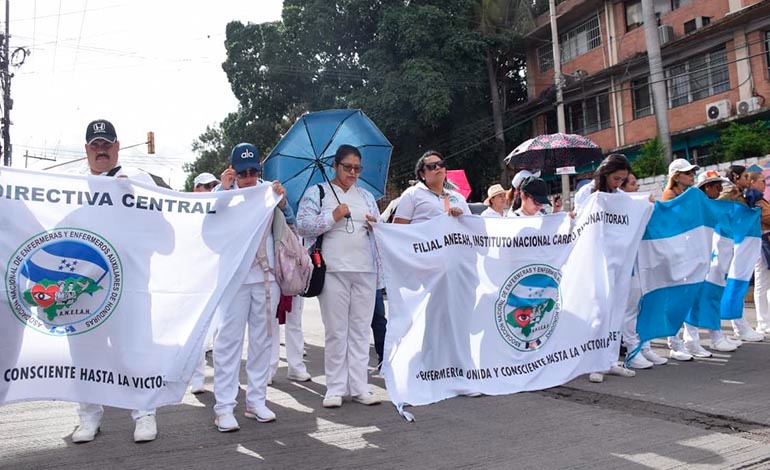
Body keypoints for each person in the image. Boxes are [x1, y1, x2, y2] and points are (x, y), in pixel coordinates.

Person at [71, 119, 158, 444]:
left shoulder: (138, 179)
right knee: (85, 354)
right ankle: (88, 416)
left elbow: (166, 232)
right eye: (95, 145)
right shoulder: (70, 187)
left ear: (118, 146)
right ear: (87, 150)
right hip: (83, 291)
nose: (101, 150)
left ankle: (144, 412)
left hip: (129, 284)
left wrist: (136, 197)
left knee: (134, 351)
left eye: (107, 144)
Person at [212, 143, 293, 432]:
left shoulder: (268, 190)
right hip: (234, 279)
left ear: (259, 168)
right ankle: (223, 407)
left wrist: (283, 202)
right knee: (228, 344)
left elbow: (291, 221)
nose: (248, 177)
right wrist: (223, 190)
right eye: (242, 172)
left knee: (263, 343)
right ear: (233, 169)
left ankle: (256, 400)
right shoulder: (223, 193)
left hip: (267, 277)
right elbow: (206, 225)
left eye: (252, 171)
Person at [296, 144, 382, 408]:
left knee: (359, 330)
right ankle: (334, 387)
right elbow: (303, 224)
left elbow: (381, 229)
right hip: (332, 269)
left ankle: (358, 385)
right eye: (347, 167)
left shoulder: (366, 196)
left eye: (357, 168)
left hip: (365, 269)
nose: (352, 173)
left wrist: (374, 225)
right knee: (336, 331)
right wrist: (332, 216)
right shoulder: (318, 193)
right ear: (336, 166)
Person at [572, 154, 636, 383]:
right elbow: (579, 221)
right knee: (599, 310)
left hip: (618, 258)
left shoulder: (620, 196)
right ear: (605, 174)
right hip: (595, 259)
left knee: (616, 308)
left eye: (622, 179)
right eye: (616, 178)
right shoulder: (587, 193)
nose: (618, 183)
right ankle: (593, 361)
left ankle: (610, 360)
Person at [719, 165, 765, 342]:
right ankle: (737, 327)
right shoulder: (728, 196)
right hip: (729, 246)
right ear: (736, 177)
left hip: (736, 245)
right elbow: (719, 215)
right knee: (731, 284)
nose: (748, 179)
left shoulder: (741, 196)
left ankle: (738, 325)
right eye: (745, 176)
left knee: (737, 283)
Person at [393, 150, 470, 223]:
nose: (438, 167)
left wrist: (461, 217)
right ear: (422, 174)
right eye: (432, 166)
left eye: (441, 164)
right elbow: (398, 230)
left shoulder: (459, 197)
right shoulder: (412, 194)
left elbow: (471, 228)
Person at [749, 171, 770, 334]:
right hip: (762, 240)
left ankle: (765, 321)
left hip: (764, 240)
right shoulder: (753, 197)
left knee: (765, 283)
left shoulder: (760, 197)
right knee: (762, 282)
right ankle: (763, 323)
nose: (765, 184)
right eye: (762, 181)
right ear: (753, 182)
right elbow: (766, 217)